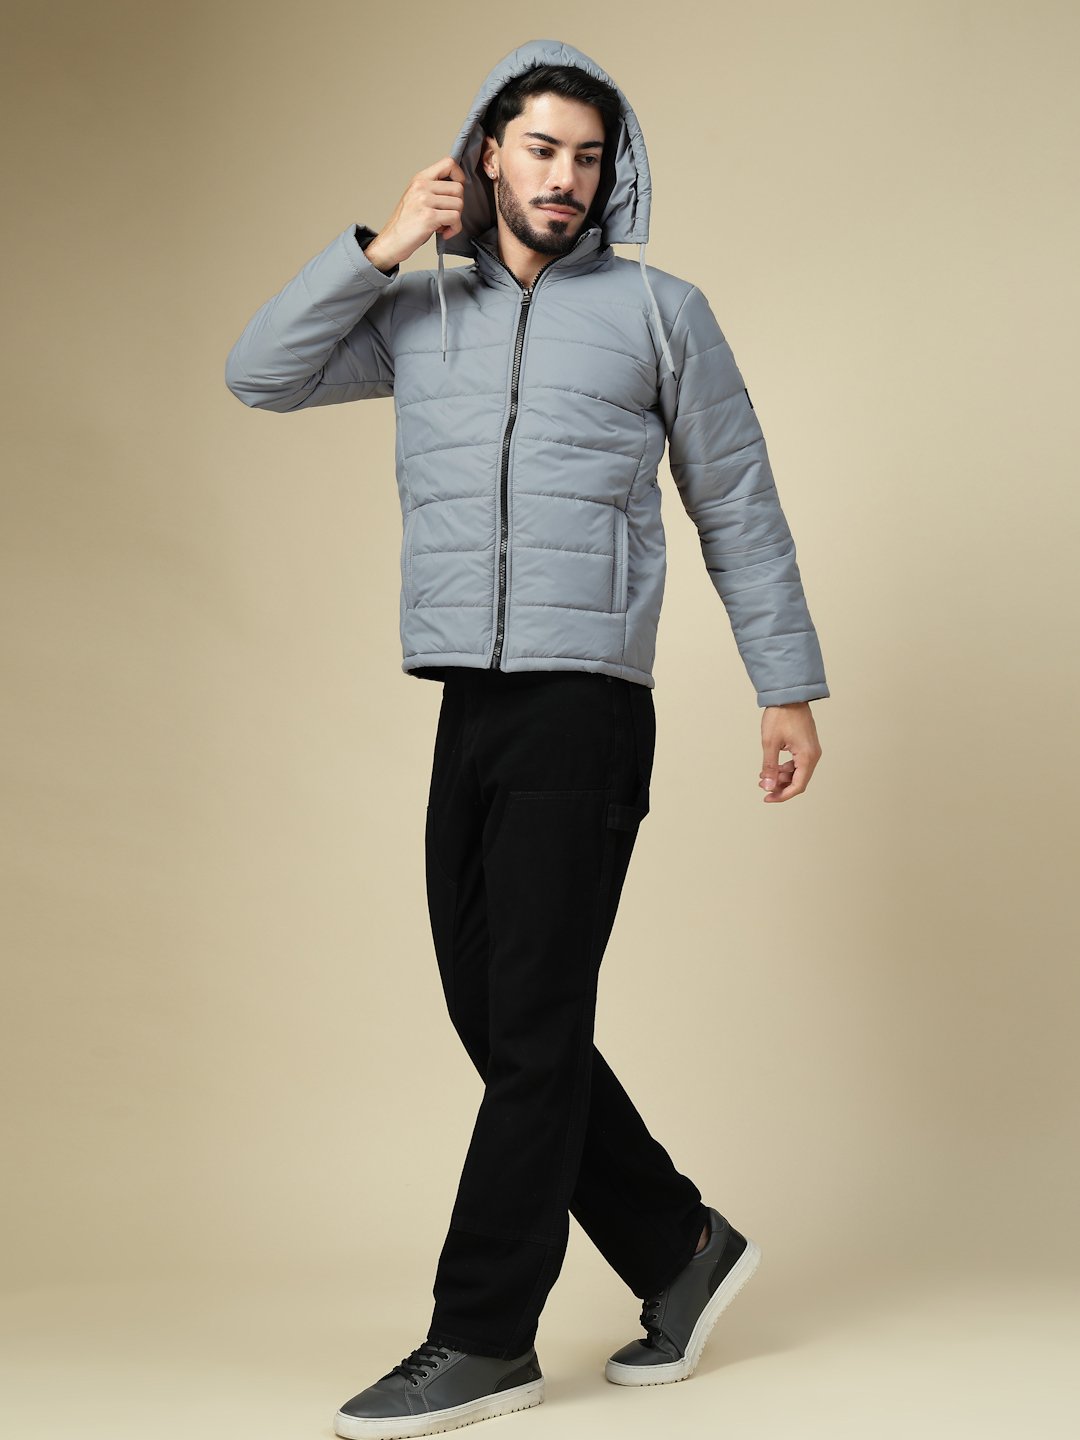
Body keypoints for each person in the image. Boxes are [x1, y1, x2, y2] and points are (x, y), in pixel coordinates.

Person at [225, 36, 829, 1440]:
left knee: (536, 1017)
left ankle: (483, 1334)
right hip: (471, 693)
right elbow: (260, 374)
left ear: (611, 177)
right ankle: (680, 1246)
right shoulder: (419, 305)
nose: (566, 177)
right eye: (542, 148)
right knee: (496, 1012)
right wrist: (381, 246)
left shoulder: (662, 313)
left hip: (588, 699)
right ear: (486, 155)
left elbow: (738, 502)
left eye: (589, 157)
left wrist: (784, 686)